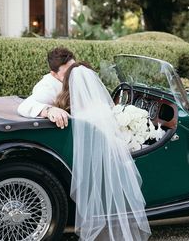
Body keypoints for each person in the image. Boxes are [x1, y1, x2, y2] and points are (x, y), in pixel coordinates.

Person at [54, 62, 151, 241]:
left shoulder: (63, 104)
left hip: (81, 162)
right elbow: (114, 139)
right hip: (104, 161)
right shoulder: (100, 108)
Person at [17, 47, 75, 129]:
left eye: (74, 70)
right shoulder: (47, 87)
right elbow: (24, 107)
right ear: (54, 74)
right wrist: (49, 110)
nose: (73, 75)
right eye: (67, 73)